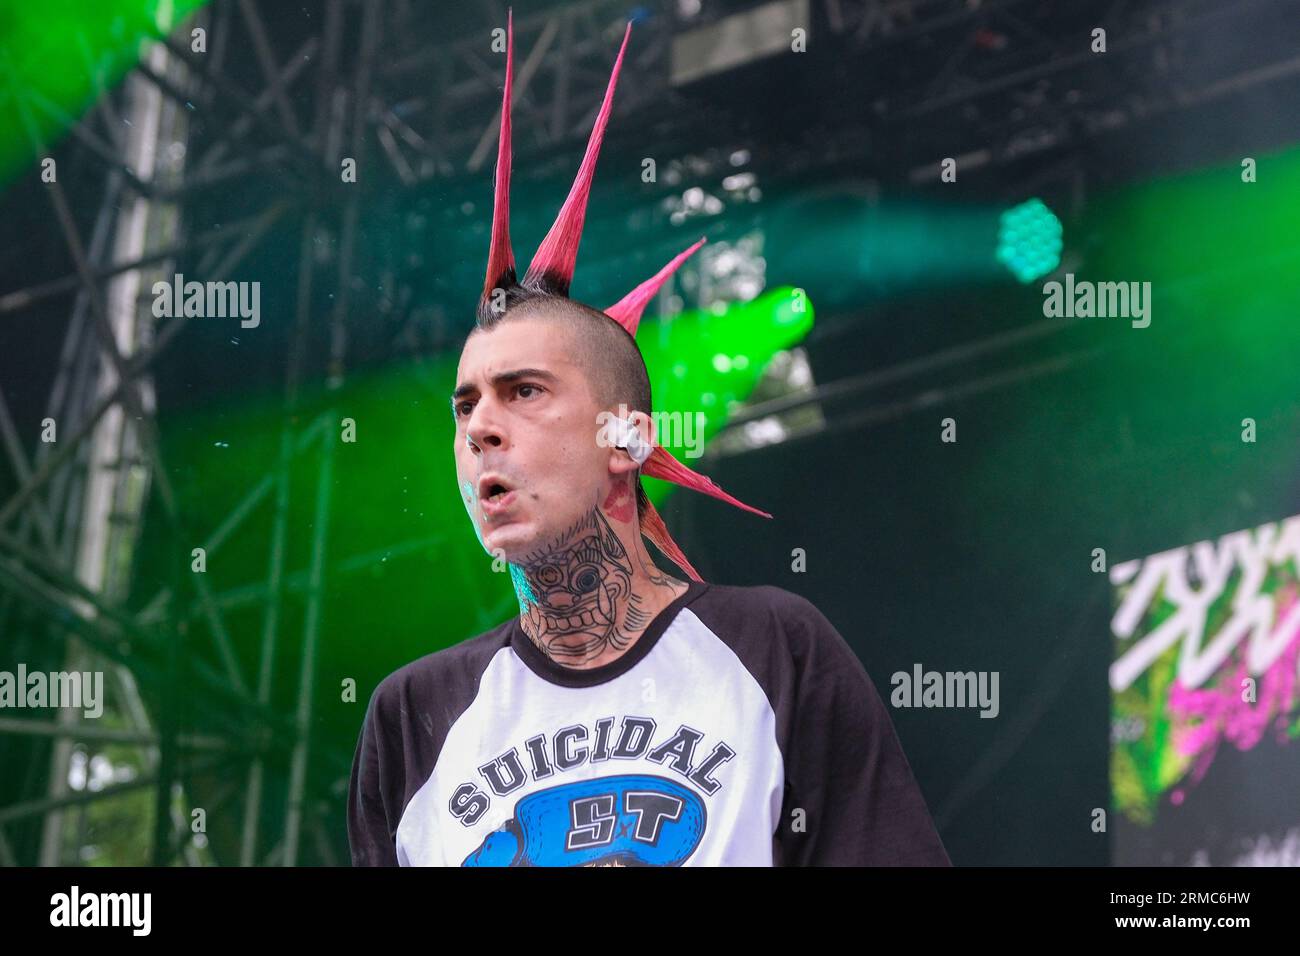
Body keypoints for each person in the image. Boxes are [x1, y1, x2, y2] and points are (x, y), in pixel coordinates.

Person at [347, 11, 950, 867]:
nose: (481, 427)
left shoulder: (773, 647)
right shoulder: (414, 715)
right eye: (465, 405)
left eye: (525, 393)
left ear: (626, 438)